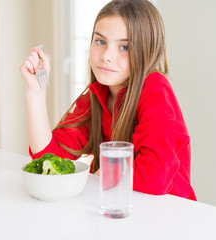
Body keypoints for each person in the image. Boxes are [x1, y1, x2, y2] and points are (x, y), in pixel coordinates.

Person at [20, 0, 196, 200]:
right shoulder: (97, 95)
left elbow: (155, 178)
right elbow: (49, 160)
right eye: (101, 42)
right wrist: (35, 92)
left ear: (146, 52)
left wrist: (105, 172)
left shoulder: (155, 88)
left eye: (125, 47)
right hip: (121, 211)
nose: (106, 56)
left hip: (168, 216)